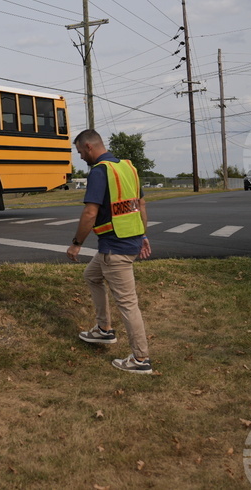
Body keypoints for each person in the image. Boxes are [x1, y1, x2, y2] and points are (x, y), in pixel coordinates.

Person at [66, 129, 153, 375]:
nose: (81, 157)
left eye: (80, 151)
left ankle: (141, 358)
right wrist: (143, 235)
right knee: (91, 276)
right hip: (126, 243)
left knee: (128, 304)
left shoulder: (100, 172)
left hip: (115, 249)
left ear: (89, 147)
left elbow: (90, 213)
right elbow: (140, 205)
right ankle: (104, 330)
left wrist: (76, 242)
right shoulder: (128, 168)